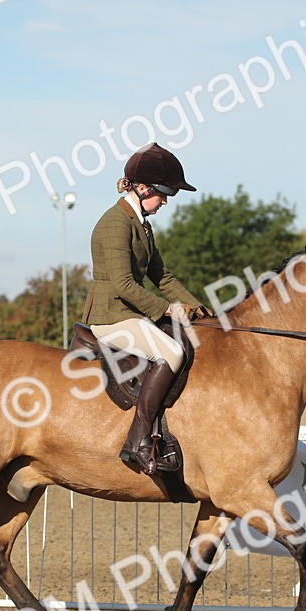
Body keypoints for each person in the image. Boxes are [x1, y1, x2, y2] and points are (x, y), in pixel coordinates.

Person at [81, 142, 210, 475]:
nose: (166, 200)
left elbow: (161, 276)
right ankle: (137, 441)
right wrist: (168, 310)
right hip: (111, 316)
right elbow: (124, 285)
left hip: (129, 313)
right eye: (163, 193)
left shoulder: (141, 224)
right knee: (171, 352)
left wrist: (196, 308)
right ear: (141, 188)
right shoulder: (115, 223)